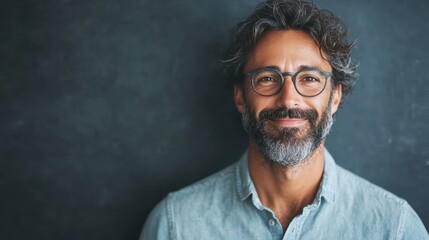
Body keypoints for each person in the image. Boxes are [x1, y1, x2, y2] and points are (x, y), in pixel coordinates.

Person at [140, 0, 429, 239]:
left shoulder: (395, 228)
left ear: (336, 96)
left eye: (309, 79)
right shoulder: (176, 225)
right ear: (240, 96)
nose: (289, 99)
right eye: (267, 79)